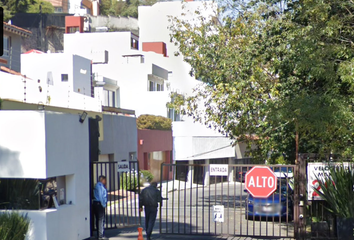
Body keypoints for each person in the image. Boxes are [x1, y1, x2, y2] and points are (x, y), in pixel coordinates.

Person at [93, 176, 108, 240]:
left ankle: (99, 234)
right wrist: (103, 204)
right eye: (105, 180)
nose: (106, 181)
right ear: (102, 180)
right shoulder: (100, 186)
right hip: (99, 204)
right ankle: (101, 236)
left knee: (98, 220)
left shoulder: (97, 186)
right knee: (101, 220)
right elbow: (101, 196)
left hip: (96, 203)